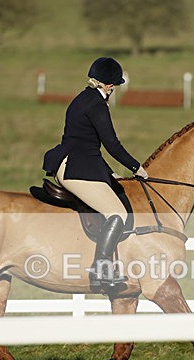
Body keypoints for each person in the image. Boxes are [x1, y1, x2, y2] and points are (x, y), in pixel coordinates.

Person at [42, 57, 149, 292]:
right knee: (117, 212)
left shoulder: (82, 98)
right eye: (114, 86)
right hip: (75, 168)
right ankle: (101, 268)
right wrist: (136, 168)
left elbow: (88, 144)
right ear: (109, 86)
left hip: (75, 162)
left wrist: (110, 174)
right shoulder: (97, 105)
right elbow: (112, 144)